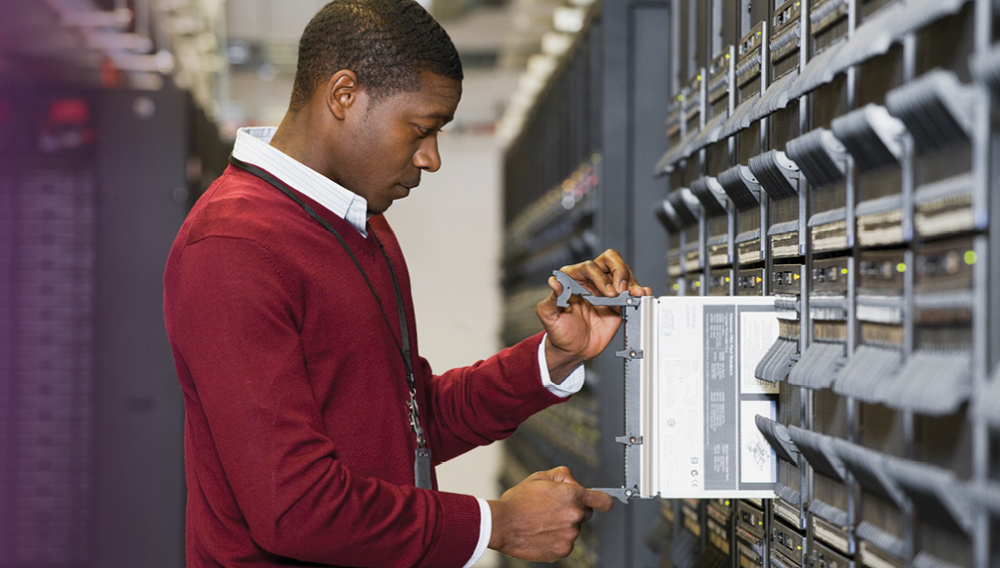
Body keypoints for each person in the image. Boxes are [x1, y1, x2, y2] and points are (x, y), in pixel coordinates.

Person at [163, 0, 651, 566]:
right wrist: (496, 523)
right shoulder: (233, 247)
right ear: (344, 95)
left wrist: (553, 356)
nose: (432, 158)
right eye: (423, 128)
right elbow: (293, 508)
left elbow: (410, 423)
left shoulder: (363, 227)